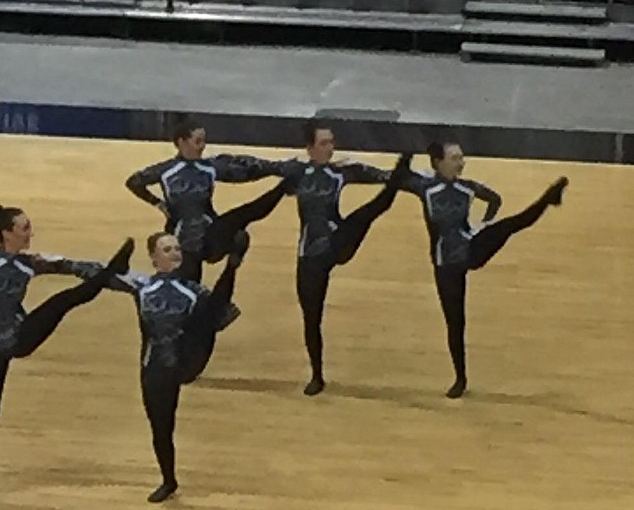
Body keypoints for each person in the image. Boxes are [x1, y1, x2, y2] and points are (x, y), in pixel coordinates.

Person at [0, 203, 134, 503]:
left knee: (64, 300)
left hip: (21, 334)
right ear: (7, 233)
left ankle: (112, 271)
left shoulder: (31, 262)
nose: (30, 233)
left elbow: (75, 267)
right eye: (25, 228)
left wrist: (123, 283)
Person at [395, 142, 568, 398]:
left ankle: (548, 199)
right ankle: (460, 378)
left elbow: (495, 200)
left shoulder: (468, 188)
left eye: (461, 157)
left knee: (511, 225)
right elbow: (398, 178)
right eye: (455, 158)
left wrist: (483, 224)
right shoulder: (425, 188)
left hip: (471, 249)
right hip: (446, 265)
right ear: (438, 162)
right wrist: (406, 158)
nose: (461, 163)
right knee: (455, 323)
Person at [106, 230, 248, 503]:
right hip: (156, 367)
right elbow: (99, 274)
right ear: (153, 257)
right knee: (161, 428)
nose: (176, 253)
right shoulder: (142, 285)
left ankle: (232, 266)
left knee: (207, 313)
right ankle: (168, 480)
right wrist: (52, 263)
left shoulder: (192, 290)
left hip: (186, 359)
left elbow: (220, 311)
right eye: (168, 249)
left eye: (177, 248)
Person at [277, 119, 403, 396]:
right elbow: (261, 169)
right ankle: (317, 375)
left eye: (332, 142)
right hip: (310, 253)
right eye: (324, 143)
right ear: (309, 148)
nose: (330, 148)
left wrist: (403, 179)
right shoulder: (297, 172)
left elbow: (376, 174)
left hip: (337, 242)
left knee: (369, 211)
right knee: (311, 317)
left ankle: (403, 162)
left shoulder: (341, 172)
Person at [124, 117, 290, 284]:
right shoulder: (166, 170)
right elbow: (133, 182)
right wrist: (158, 203)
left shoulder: (209, 166)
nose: (203, 146)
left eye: (204, 141)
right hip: (183, 240)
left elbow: (245, 168)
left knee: (240, 227)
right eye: (197, 141)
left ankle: (284, 186)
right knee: (191, 288)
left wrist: (277, 167)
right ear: (181, 142)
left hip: (210, 234)